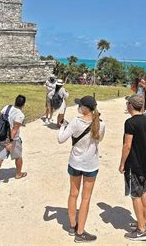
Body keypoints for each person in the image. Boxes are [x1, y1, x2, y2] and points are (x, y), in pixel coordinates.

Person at [58, 96, 105, 243]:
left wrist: (62, 126)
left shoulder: (75, 122)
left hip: (75, 162)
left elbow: (61, 139)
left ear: (84, 108)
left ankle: (72, 226)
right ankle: (80, 232)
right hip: (91, 163)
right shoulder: (101, 124)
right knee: (86, 198)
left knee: (73, 194)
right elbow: (99, 140)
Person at [119, 94, 146, 241]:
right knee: (143, 190)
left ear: (131, 105)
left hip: (133, 163)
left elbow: (127, 145)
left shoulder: (130, 122)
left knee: (135, 195)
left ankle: (142, 230)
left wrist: (122, 163)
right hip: (144, 162)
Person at [0, 95, 28, 188]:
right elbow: (14, 130)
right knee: (18, 156)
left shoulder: (6, 107)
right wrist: (10, 142)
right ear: (23, 104)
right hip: (13, 139)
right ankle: (18, 174)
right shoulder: (20, 115)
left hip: (2, 137)